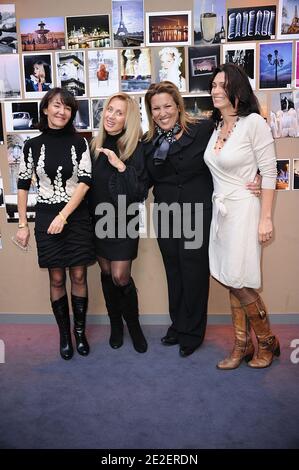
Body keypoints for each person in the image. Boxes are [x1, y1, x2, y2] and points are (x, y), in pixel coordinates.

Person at [143, 81, 260, 358]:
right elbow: (142, 180)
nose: (162, 113)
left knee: (193, 272)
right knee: (174, 271)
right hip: (166, 214)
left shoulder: (203, 129)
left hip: (197, 212)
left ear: (178, 106)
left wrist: (257, 175)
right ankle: (179, 325)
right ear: (150, 112)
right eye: (156, 108)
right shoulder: (148, 143)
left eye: (167, 106)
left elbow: (239, 142)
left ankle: (193, 333)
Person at [204, 63, 280, 369]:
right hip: (221, 212)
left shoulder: (253, 124)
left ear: (238, 88)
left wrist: (266, 218)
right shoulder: (215, 126)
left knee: (237, 278)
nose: (215, 90)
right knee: (230, 278)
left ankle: (266, 342)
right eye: (212, 86)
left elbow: (271, 172)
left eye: (222, 85)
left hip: (246, 211)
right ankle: (241, 345)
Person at [16, 87, 95, 360]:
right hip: (47, 218)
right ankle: (65, 335)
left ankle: (80, 333)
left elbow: (85, 182)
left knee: (79, 276)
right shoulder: (31, 146)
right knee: (57, 277)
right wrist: (23, 224)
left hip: (76, 217)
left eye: (68, 107)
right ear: (46, 109)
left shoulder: (80, 143)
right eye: (57, 106)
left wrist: (65, 216)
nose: (62, 111)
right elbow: (23, 185)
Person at [89, 92, 148, 353]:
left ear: (129, 119)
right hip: (97, 221)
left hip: (124, 223)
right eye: (109, 110)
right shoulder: (93, 145)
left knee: (120, 276)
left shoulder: (136, 148)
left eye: (119, 112)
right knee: (105, 274)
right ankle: (116, 325)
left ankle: (133, 326)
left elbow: (139, 192)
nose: (111, 116)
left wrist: (121, 167)